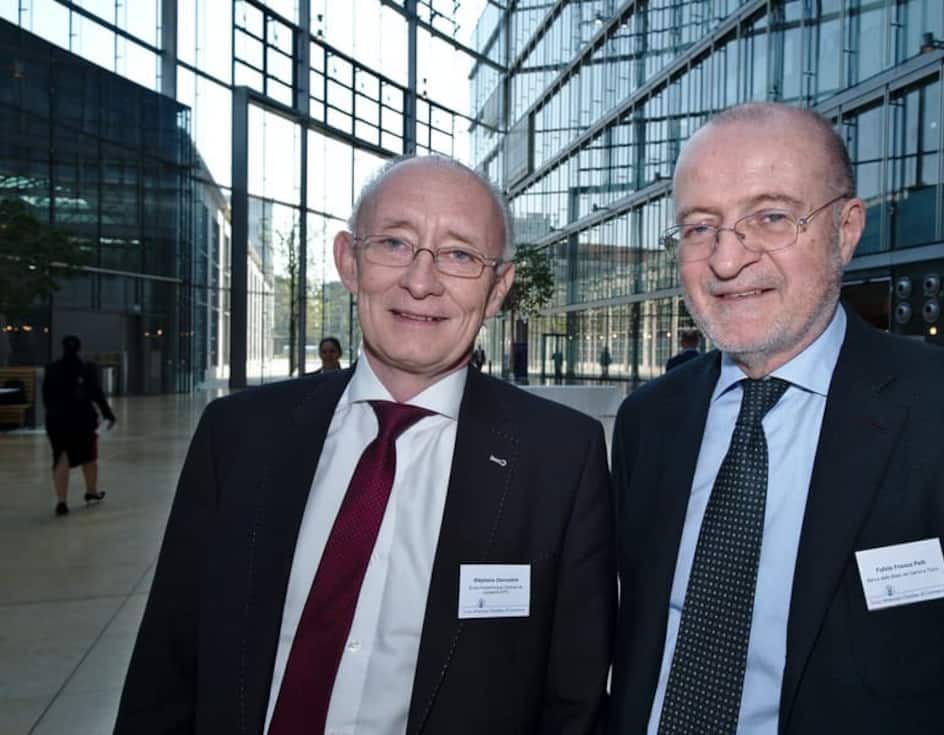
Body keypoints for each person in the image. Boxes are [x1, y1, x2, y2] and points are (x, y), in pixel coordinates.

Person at [609, 103, 944, 734]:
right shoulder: (646, 423)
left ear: (846, 230)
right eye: (699, 227)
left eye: (770, 217)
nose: (727, 260)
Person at [118, 156, 615, 734]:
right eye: (395, 243)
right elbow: (167, 668)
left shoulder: (560, 460)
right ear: (349, 261)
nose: (421, 282)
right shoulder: (237, 436)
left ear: (499, 286)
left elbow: (573, 704)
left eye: (459, 255)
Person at [43, 335, 116, 516]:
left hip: (57, 420)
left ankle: (62, 501)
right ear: (79, 349)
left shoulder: (52, 369)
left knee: (61, 457)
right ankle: (91, 492)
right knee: (89, 457)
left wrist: (55, 413)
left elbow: (46, 397)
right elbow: (97, 394)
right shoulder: (87, 368)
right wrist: (108, 415)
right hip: (83, 420)